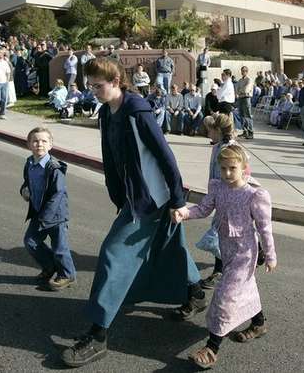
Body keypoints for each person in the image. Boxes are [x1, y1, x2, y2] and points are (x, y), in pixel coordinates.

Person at [61, 58, 205, 368]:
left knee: (113, 253)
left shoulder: (137, 112)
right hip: (135, 196)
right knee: (168, 246)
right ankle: (195, 290)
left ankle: (98, 334)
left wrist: (178, 199)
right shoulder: (107, 114)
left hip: (152, 199)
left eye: (98, 86)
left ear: (115, 81)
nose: (93, 91)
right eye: (90, 86)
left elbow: (165, 155)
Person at [175, 144, 277, 370]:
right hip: (226, 251)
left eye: (232, 168)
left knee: (225, 296)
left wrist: (270, 255)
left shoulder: (254, 195)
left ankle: (211, 348)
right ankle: (259, 323)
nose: (228, 173)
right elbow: (203, 209)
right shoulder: (218, 188)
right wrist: (184, 213)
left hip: (245, 254)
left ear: (244, 168)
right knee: (244, 289)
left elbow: (264, 228)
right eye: (223, 168)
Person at [20, 127, 76, 291]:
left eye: (44, 141)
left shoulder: (54, 168)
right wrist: (24, 190)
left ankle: (67, 275)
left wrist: (45, 219)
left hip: (56, 215)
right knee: (31, 241)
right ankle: (50, 266)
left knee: (60, 248)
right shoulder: (29, 163)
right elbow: (27, 182)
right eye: (35, 141)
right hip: (39, 212)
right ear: (29, 144)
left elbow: (57, 194)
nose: (39, 144)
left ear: (50, 145)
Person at [235, 66, 254, 139]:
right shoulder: (240, 80)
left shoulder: (249, 80)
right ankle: (245, 131)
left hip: (246, 98)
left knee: (247, 115)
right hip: (241, 98)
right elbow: (237, 89)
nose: (242, 72)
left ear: (247, 71)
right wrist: (240, 91)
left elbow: (246, 90)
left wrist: (240, 90)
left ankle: (250, 132)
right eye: (242, 71)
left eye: (244, 71)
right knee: (242, 115)